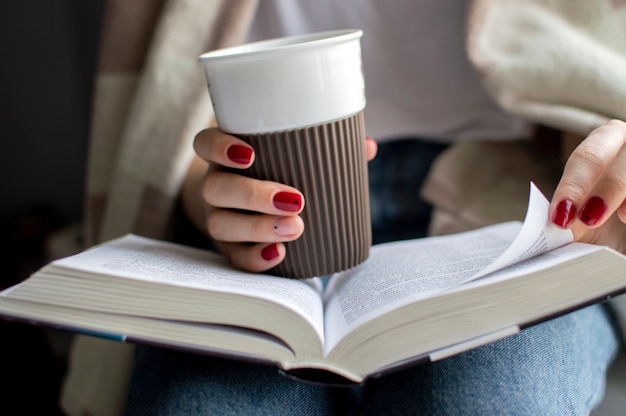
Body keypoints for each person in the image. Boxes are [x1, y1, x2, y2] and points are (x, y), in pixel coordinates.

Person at [123, 1, 626, 414]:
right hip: (265, 252)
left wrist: (605, 169)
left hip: (504, 208)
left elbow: (595, 81)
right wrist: (219, 201)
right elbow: (169, 123)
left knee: (479, 403)